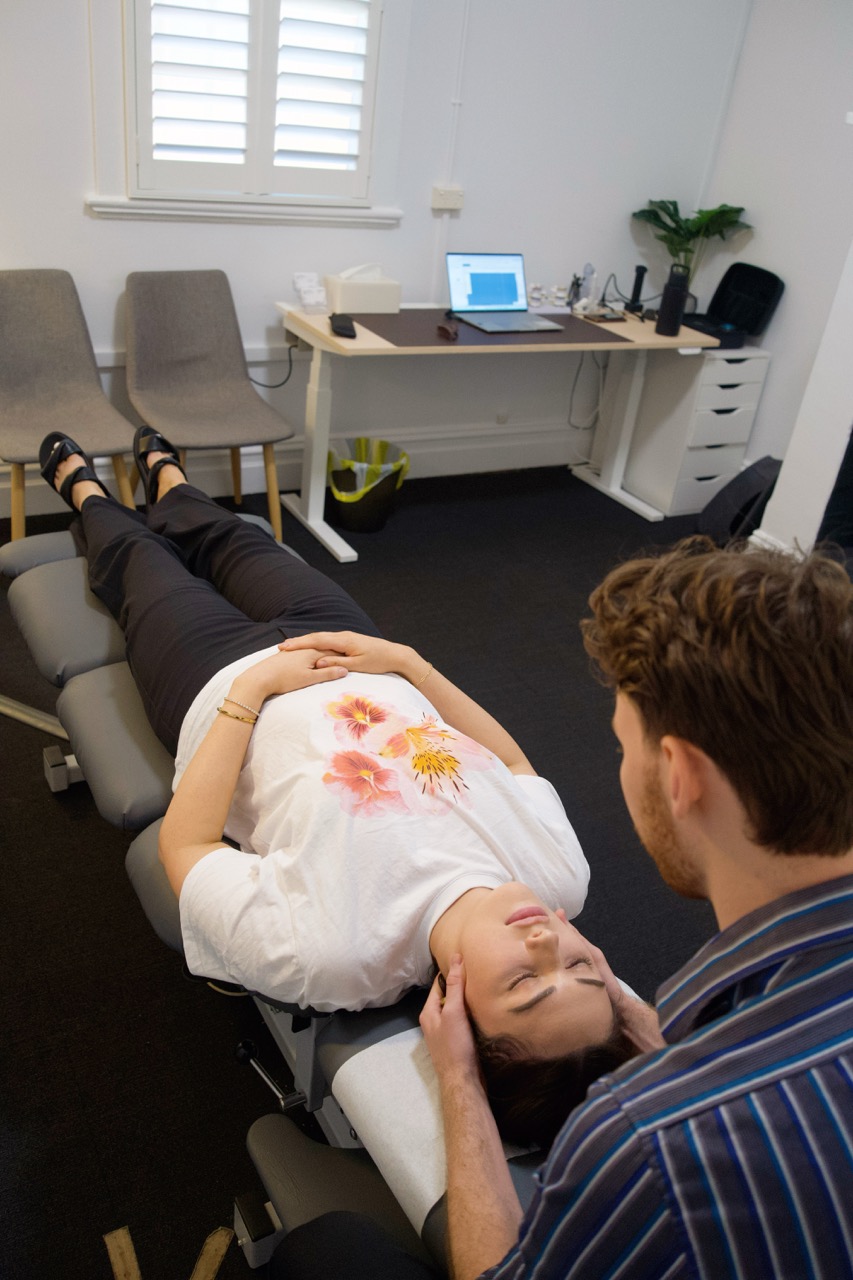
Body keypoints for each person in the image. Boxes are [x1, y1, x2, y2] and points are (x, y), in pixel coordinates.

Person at [273, 535, 853, 1280]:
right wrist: (655, 1035)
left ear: (679, 775)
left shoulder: (644, 1145)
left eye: (622, 747)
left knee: (326, 1253)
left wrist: (459, 1084)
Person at [39, 429, 627, 1102]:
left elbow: (187, 847)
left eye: (524, 983)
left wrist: (251, 692)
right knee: (234, 538)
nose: (548, 943)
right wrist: (409, 664)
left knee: (138, 559)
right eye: (582, 968)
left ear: (455, 1016)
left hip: (216, 682)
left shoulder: (332, 957)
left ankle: (85, 492)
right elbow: (511, 762)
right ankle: (167, 479)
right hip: (356, 651)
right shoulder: (559, 879)